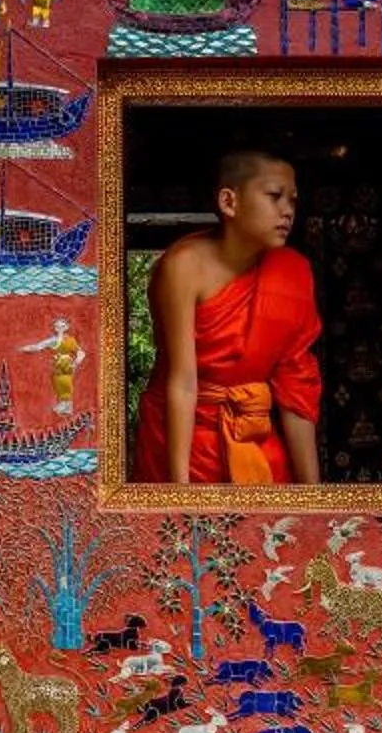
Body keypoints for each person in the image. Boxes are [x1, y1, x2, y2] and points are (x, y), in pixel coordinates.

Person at [133, 151, 322, 485]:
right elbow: (183, 381)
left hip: (254, 438)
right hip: (184, 441)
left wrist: (313, 497)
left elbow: (297, 386)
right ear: (229, 202)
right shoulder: (185, 266)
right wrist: (179, 490)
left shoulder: (293, 272)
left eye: (293, 200)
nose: (288, 211)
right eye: (274, 196)